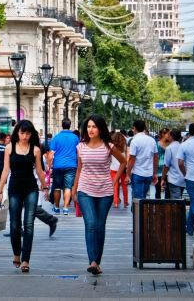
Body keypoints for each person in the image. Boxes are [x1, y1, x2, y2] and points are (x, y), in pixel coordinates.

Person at [71, 114, 127, 276]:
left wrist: (114, 181)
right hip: (85, 190)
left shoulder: (108, 146)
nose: (90, 129)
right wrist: (74, 190)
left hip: (105, 192)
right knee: (91, 224)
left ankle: (97, 262)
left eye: (94, 126)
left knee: (100, 226)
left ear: (100, 128)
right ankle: (92, 262)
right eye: (88, 126)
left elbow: (123, 162)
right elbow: (79, 169)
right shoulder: (80, 147)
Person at [0, 120, 48, 273]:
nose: (25, 136)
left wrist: (45, 187)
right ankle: (16, 253)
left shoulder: (36, 150)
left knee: (29, 225)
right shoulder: (9, 148)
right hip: (14, 188)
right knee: (14, 224)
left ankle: (26, 260)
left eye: (28, 133)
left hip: (31, 188)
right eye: (22, 132)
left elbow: (39, 171)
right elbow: (5, 170)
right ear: (17, 133)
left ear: (31, 134)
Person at [49, 119, 80, 215]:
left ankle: (57, 207)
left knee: (57, 187)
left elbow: (51, 154)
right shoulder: (75, 138)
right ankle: (66, 208)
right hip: (71, 165)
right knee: (68, 187)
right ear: (70, 125)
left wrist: (49, 166)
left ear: (62, 125)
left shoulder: (56, 137)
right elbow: (78, 152)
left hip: (58, 165)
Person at [126, 120, 158, 204]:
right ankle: (141, 216)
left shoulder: (135, 141)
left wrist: (127, 174)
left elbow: (132, 159)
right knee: (144, 198)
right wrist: (155, 173)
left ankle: (138, 216)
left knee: (138, 200)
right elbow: (155, 158)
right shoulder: (152, 140)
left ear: (134, 128)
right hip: (148, 174)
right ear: (144, 128)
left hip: (137, 173)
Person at [162, 129, 185, 199]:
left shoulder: (169, 148)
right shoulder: (183, 146)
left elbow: (166, 165)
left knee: (176, 201)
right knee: (178, 199)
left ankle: (177, 210)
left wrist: (163, 178)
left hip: (173, 179)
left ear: (171, 136)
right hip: (183, 178)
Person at [110, 131, 129, 208]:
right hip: (123, 168)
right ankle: (126, 201)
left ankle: (115, 202)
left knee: (115, 185)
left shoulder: (112, 146)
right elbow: (127, 155)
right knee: (124, 186)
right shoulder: (124, 144)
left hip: (113, 167)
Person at [155, 129, 171, 199]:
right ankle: (158, 206)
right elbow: (155, 156)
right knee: (158, 189)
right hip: (159, 168)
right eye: (168, 134)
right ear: (163, 134)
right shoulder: (157, 144)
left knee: (168, 190)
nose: (169, 135)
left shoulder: (170, 143)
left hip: (168, 168)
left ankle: (166, 207)